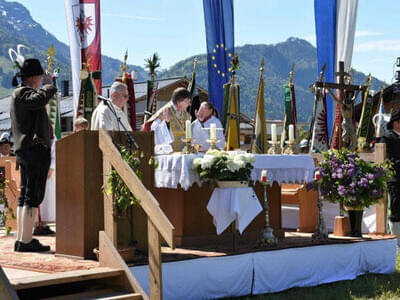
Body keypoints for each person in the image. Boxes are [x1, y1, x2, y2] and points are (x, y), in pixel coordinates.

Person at [10, 58, 57, 252]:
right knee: (32, 196)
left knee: (27, 196)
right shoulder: (24, 94)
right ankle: (26, 240)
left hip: (27, 150)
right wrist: (48, 86)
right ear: (34, 77)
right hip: (33, 150)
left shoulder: (20, 94)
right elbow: (38, 99)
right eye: (40, 77)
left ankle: (23, 239)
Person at [148, 87, 192, 152]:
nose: (189, 104)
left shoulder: (186, 115)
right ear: (178, 102)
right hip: (169, 154)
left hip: (183, 152)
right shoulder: (164, 112)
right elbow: (154, 130)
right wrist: (166, 124)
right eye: (187, 102)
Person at [380, 109, 400, 248]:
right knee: (396, 210)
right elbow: (387, 160)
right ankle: (397, 242)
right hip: (395, 179)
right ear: (395, 123)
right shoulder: (387, 138)